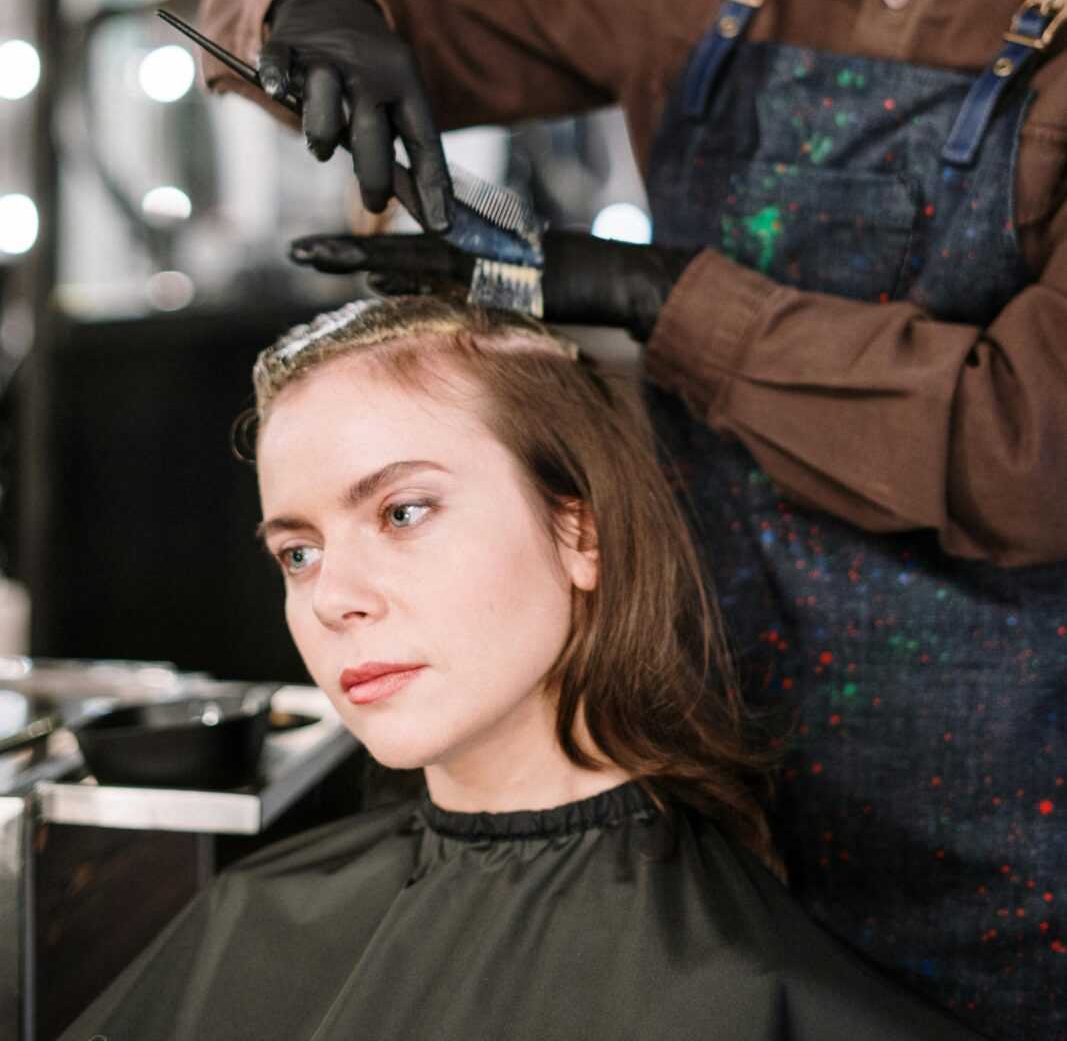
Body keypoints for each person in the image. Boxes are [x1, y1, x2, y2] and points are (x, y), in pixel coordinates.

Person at [196, 0, 1067, 1034]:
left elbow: (1027, 445)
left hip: (1020, 837)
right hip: (693, 786)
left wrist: (648, 300)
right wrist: (311, 3)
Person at [62, 296, 975, 1041]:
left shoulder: (747, 995)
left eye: (402, 513)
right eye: (296, 553)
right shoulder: (254, 922)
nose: (333, 596)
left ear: (580, 533)